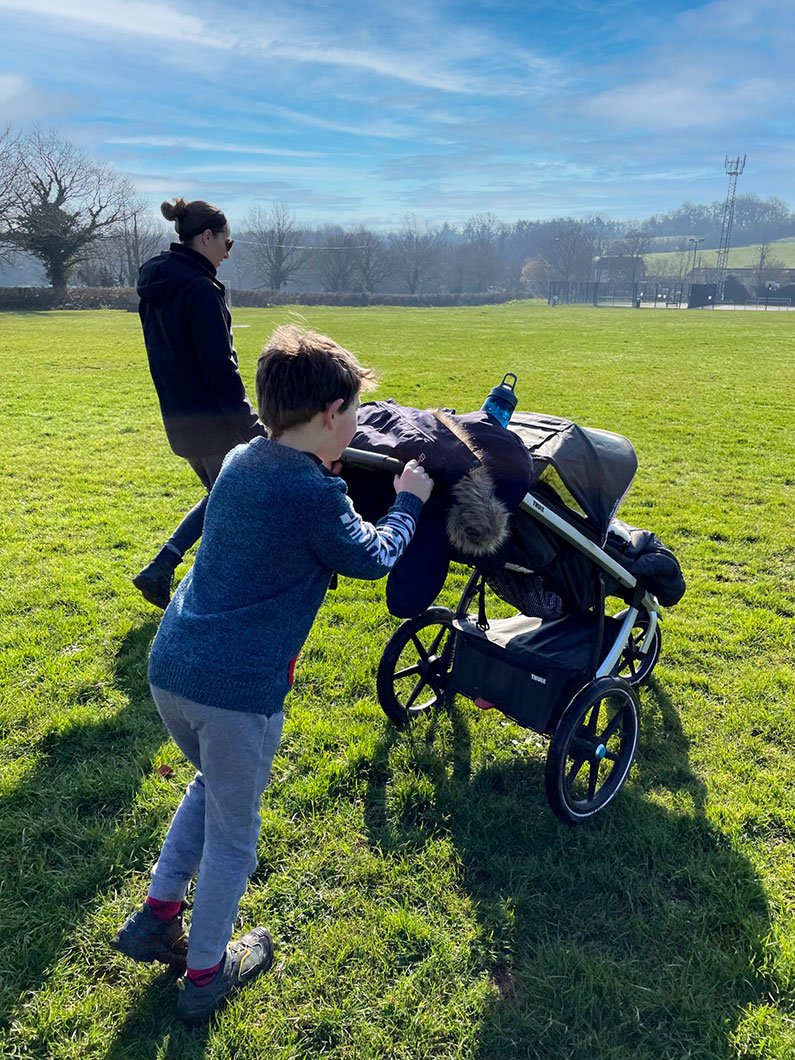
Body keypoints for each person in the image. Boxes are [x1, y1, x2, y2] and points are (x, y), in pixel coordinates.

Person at [111, 325, 434, 1022]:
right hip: (237, 693)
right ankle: (205, 975)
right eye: (351, 413)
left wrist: (326, 478)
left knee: (211, 789)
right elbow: (374, 557)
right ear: (327, 416)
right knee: (234, 835)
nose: (353, 425)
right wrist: (409, 498)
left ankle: (155, 917)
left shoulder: (240, 460)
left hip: (172, 668)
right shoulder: (315, 497)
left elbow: (285, 510)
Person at [133, 197, 265, 609]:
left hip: (179, 417)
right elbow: (220, 368)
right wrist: (250, 424)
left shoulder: (157, 286)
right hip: (215, 421)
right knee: (238, 509)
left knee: (223, 498)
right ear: (206, 237)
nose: (228, 252)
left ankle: (162, 567)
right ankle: (207, 591)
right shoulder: (200, 290)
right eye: (228, 242)